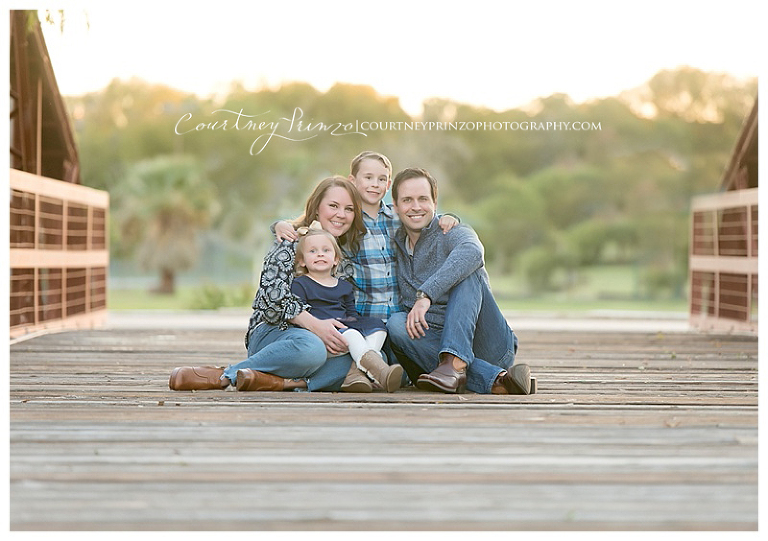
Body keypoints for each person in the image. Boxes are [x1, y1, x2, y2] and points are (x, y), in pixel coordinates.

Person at [168, 175, 369, 393]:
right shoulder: (290, 242)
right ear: (317, 208)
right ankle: (227, 375)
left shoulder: (347, 256)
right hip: (278, 333)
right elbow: (272, 297)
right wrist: (315, 326)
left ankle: (280, 382)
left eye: (349, 209)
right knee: (312, 350)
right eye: (333, 206)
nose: (341, 214)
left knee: (367, 357)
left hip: (326, 339)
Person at [274, 151, 459, 387]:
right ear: (352, 181)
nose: (375, 184)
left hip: (400, 320)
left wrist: (449, 217)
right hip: (365, 321)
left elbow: (423, 215)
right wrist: (280, 225)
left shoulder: (397, 217)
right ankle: (355, 371)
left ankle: (359, 371)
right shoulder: (348, 219)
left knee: (403, 373)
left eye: (381, 179)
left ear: (388, 184)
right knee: (379, 362)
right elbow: (313, 228)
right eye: (368, 177)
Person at [385, 167, 533, 395]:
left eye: (423, 199)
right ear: (395, 206)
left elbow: (473, 252)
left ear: (435, 203)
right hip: (434, 345)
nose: (415, 206)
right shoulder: (394, 242)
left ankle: (455, 363)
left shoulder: (452, 231)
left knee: (469, 271)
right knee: (396, 323)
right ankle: (499, 380)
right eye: (407, 200)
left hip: (488, 343)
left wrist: (426, 295)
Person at [291, 227, 403, 392]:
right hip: (322, 337)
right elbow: (300, 316)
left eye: (326, 250)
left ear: (336, 259)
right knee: (353, 335)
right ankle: (380, 371)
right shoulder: (300, 284)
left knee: (378, 328)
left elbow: (351, 315)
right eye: (313, 251)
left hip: (344, 329)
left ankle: (356, 372)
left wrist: (361, 328)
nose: (320, 254)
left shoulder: (344, 286)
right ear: (302, 261)